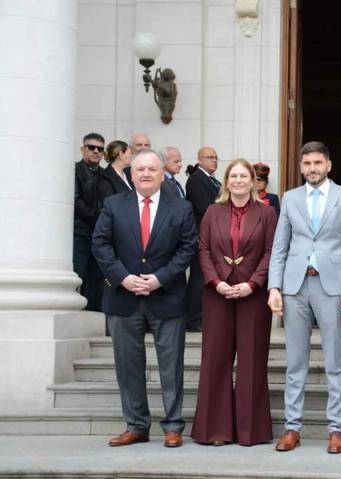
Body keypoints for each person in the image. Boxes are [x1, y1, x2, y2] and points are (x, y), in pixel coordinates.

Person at [92, 149, 198, 448]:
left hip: (166, 297)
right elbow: (100, 244)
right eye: (140, 169)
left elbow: (188, 248)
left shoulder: (181, 208)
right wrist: (123, 277)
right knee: (128, 366)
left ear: (162, 173)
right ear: (131, 173)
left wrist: (160, 278)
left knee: (171, 366)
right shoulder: (113, 204)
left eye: (152, 169)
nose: (146, 174)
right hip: (123, 298)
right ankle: (136, 425)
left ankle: (173, 426)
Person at [268, 141, 341, 455]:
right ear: (301, 167)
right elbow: (280, 247)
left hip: (332, 287)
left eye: (317, 163)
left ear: (328, 165)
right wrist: (274, 287)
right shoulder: (290, 198)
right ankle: (292, 428)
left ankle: (337, 429)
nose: (312, 168)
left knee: (335, 361)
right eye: (306, 163)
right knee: (295, 362)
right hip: (294, 287)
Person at [191, 159, 278, 446]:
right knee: (215, 360)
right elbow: (202, 249)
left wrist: (252, 284)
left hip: (253, 295)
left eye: (244, 176)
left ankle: (249, 431)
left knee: (252, 362)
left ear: (253, 182)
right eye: (234, 175)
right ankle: (215, 430)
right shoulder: (212, 212)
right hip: (217, 294)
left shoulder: (266, 214)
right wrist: (217, 282)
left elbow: (271, 252)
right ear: (226, 181)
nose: (239, 180)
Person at [185, 147, 222, 331]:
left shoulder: (212, 180)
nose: (214, 160)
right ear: (199, 160)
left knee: (206, 277)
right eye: (210, 157)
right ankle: (193, 319)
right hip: (201, 235)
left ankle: (203, 316)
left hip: (212, 236)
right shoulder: (196, 179)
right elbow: (203, 207)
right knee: (198, 278)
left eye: (216, 157)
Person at [74, 132, 105, 312]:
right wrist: (96, 219)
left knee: (97, 277)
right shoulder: (76, 170)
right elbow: (76, 201)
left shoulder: (104, 175)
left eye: (100, 149)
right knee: (79, 275)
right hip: (81, 232)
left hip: (99, 235)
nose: (96, 151)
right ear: (82, 149)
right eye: (91, 147)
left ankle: (94, 315)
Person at [97, 141, 133, 210]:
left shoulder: (129, 174)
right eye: (130, 153)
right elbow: (109, 206)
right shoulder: (105, 177)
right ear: (121, 155)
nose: (132, 156)